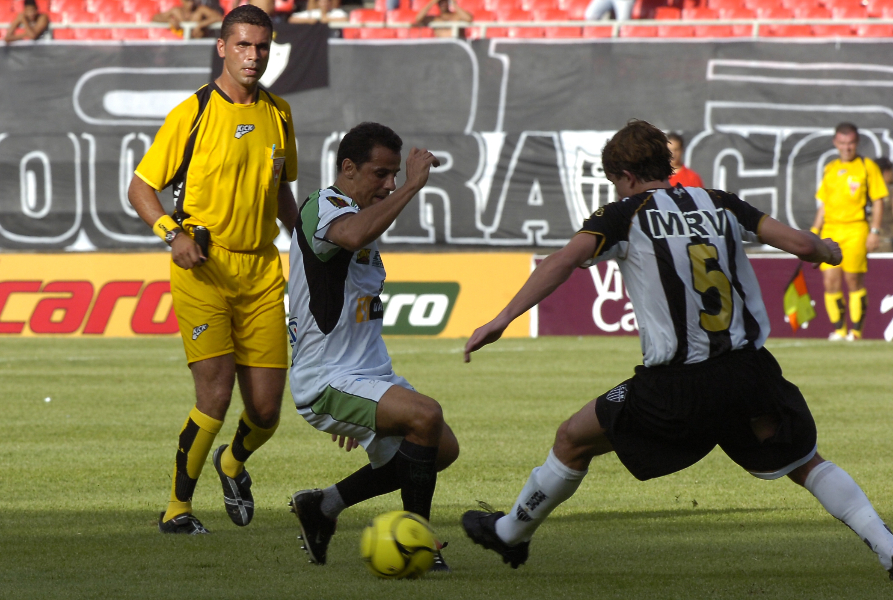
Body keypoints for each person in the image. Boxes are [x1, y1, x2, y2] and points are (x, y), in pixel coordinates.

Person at [461, 119, 893, 581]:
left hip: (676, 387)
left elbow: (562, 261)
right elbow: (802, 244)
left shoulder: (624, 213)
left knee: (571, 439)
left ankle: (510, 534)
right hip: (749, 373)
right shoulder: (719, 202)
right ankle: (888, 549)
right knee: (806, 463)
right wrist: (827, 250)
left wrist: (501, 319)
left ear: (625, 176)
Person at [128, 4, 299, 535]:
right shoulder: (194, 112)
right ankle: (177, 509)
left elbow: (282, 191)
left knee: (267, 412)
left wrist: (309, 251)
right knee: (216, 396)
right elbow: (140, 188)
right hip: (204, 269)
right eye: (244, 45)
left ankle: (232, 463)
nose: (254, 56)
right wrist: (171, 234)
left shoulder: (280, 112)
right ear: (222, 47)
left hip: (262, 273)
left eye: (262, 46)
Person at [286, 122, 458, 569]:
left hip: (365, 374)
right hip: (326, 379)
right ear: (347, 168)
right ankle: (415, 541)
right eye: (381, 173)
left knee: (442, 449)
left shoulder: (359, 214)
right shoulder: (324, 205)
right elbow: (352, 235)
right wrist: (414, 187)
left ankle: (323, 505)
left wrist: (366, 408)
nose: (389, 184)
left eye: (396, 174)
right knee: (426, 416)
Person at [809, 122, 888, 341]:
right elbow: (824, 204)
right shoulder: (831, 168)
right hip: (830, 230)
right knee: (830, 281)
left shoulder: (866, 166)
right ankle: (839, 330)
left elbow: (878, 200)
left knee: (853, 280)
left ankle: (856, 332)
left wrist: (875, 231)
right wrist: (815, 230)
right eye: (842, 143)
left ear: (857, 142)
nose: (847, 148)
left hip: (856, 229)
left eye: (851, 143)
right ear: (836, 143)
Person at [152, 0, 222, 38]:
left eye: (192, 1)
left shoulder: (200, 10)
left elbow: (219, 17)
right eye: (187, 1)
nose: (190, 4)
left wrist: (201, 24)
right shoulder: (176, 11)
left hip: (199, 45)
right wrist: (169, 21)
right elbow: (154, 18)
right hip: (181, 47)